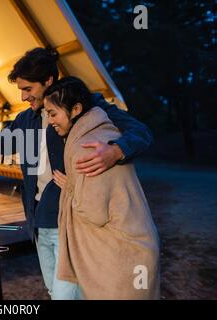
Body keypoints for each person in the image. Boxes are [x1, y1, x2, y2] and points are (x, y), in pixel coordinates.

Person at [0, 47, 153, 299]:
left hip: (71, 223)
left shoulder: (83, 105)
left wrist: (116, 151)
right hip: (38, 222)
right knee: (55, 291)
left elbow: (140, 132)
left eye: (28, 89)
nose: (24, 96)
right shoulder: (25, 119)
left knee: (75, 294)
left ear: (48, 81)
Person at [43, 76, 160, 299]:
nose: (51, 121)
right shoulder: (101, 131)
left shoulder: (88, 147)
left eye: (53, 113)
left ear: (76, 108)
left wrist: (71, 187)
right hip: (137, 247)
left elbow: (94, 212)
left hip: (125, 256)